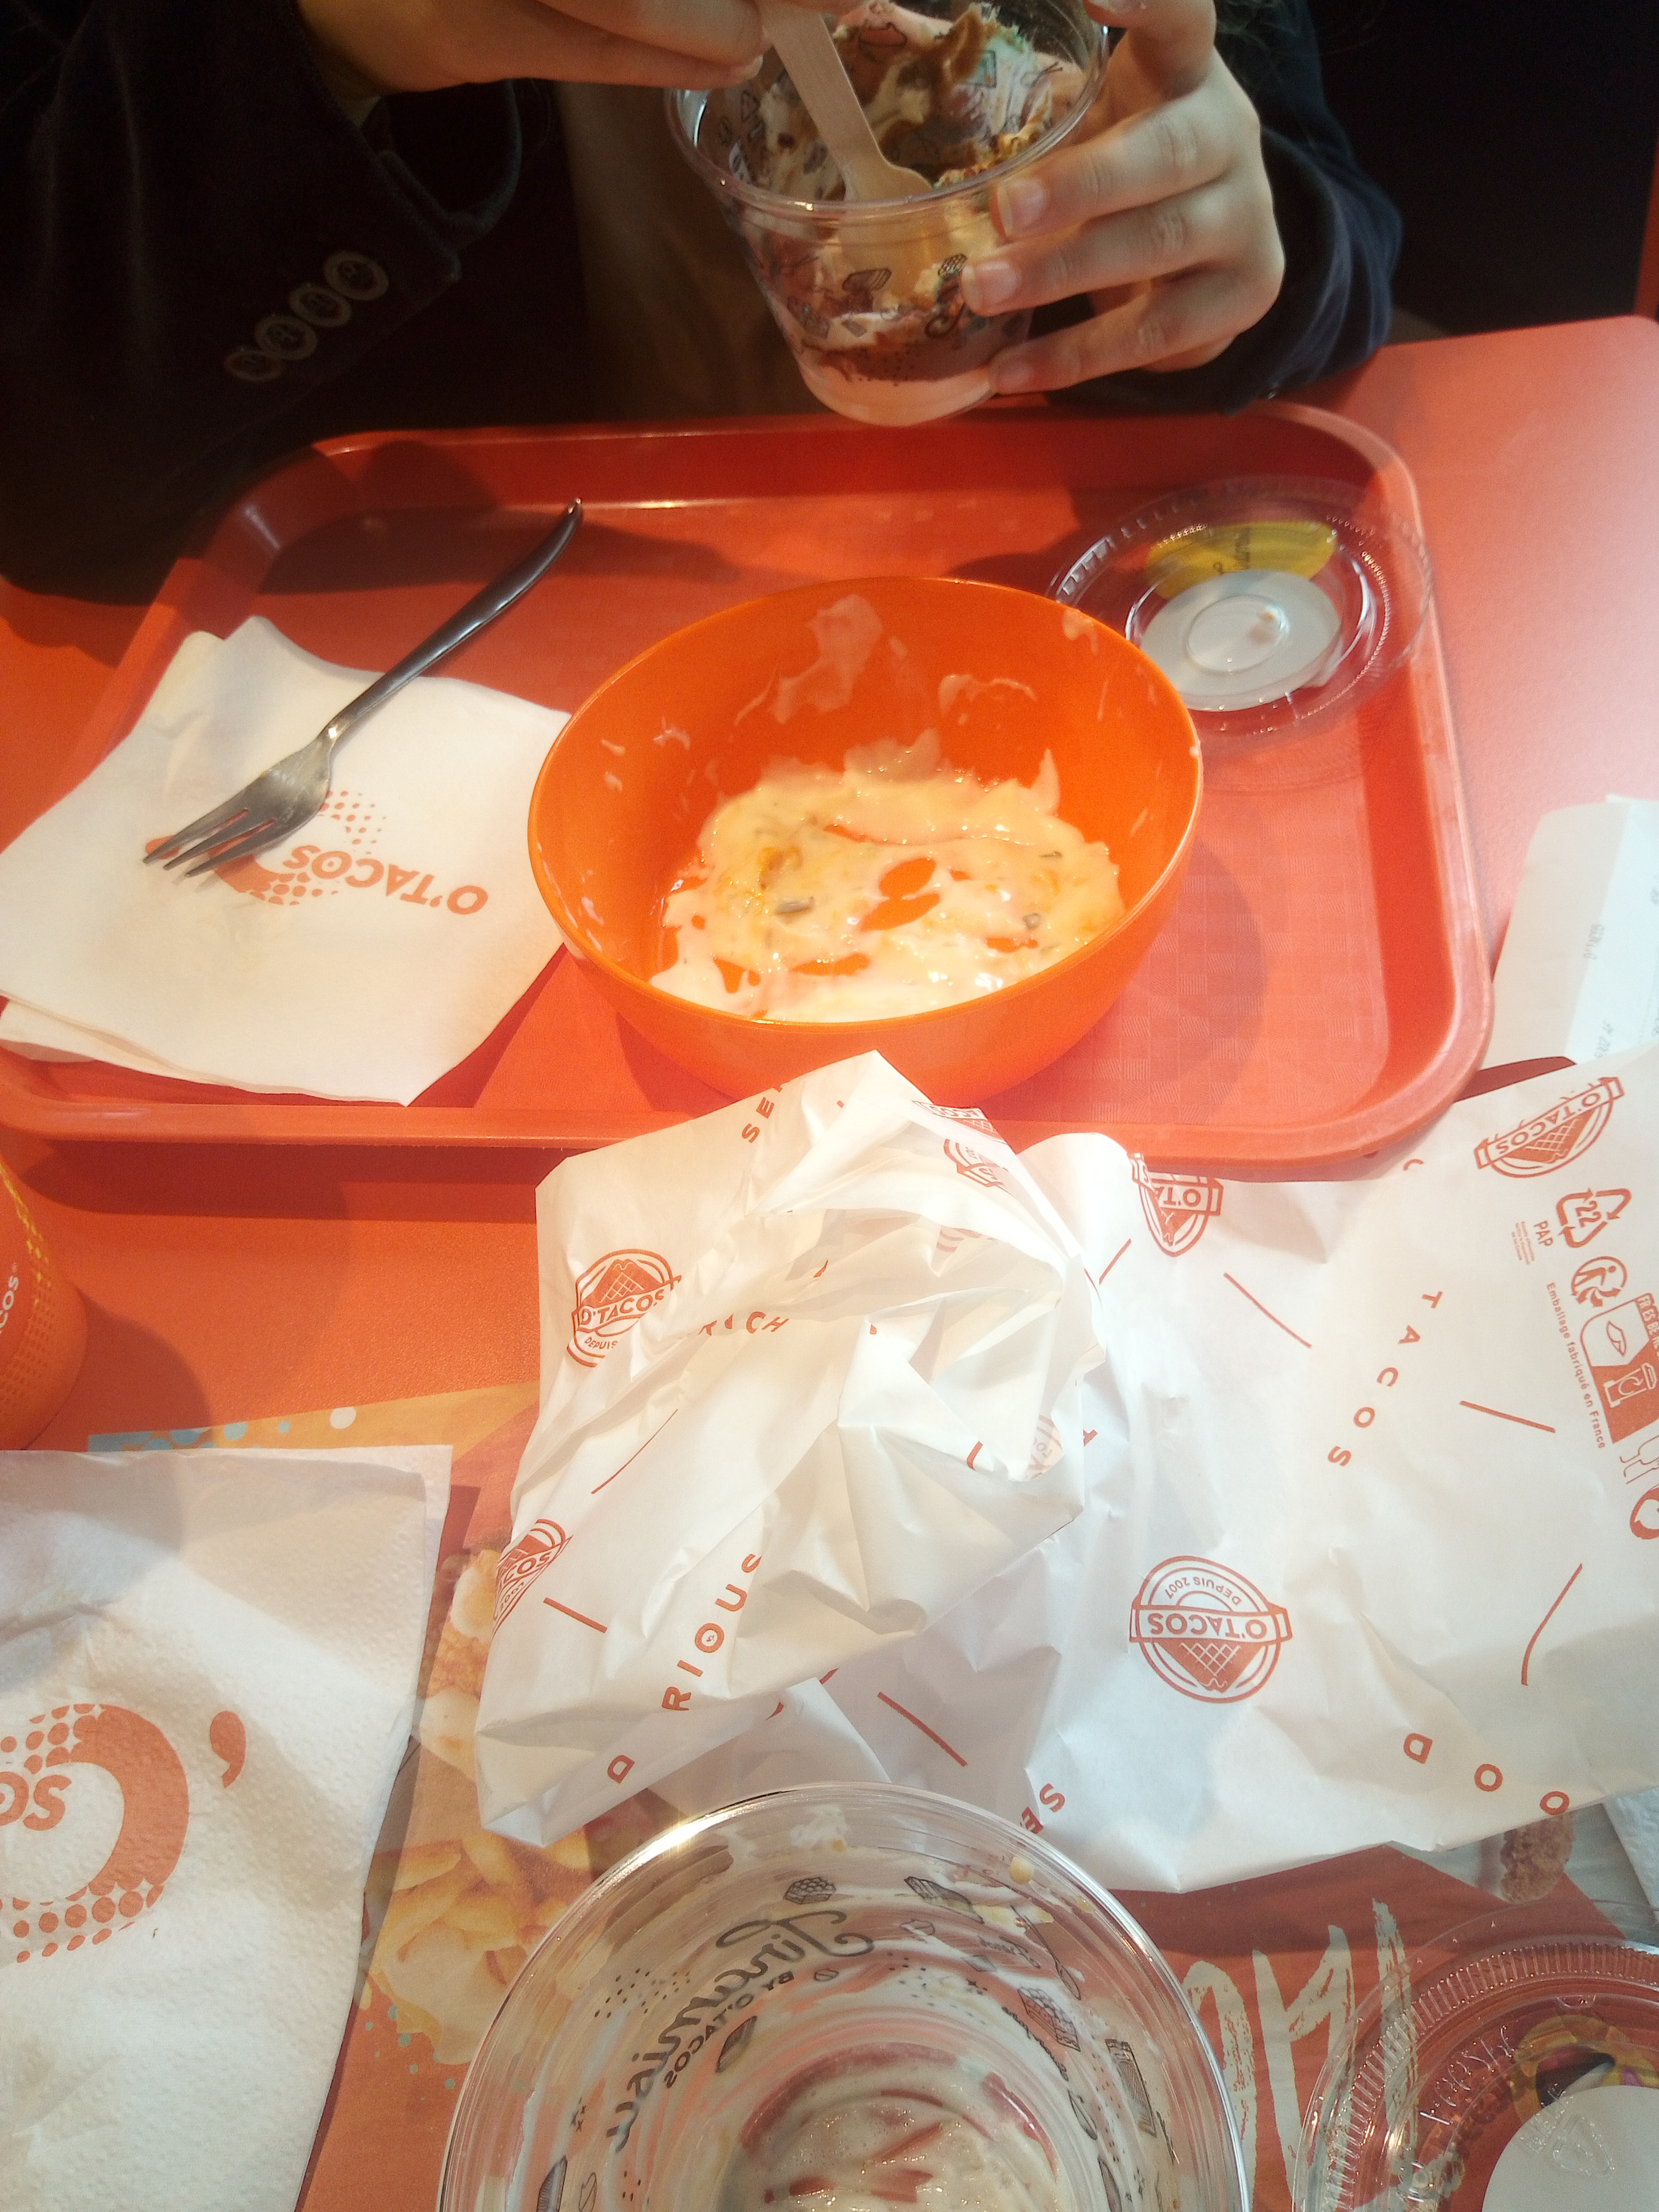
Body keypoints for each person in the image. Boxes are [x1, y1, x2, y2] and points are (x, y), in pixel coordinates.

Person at [0, 0, 1398, 595]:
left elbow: (1326, 242)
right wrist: (319, 52)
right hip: (502, 637)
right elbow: (41, 472)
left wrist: (1212, 258)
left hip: (1059, 578)